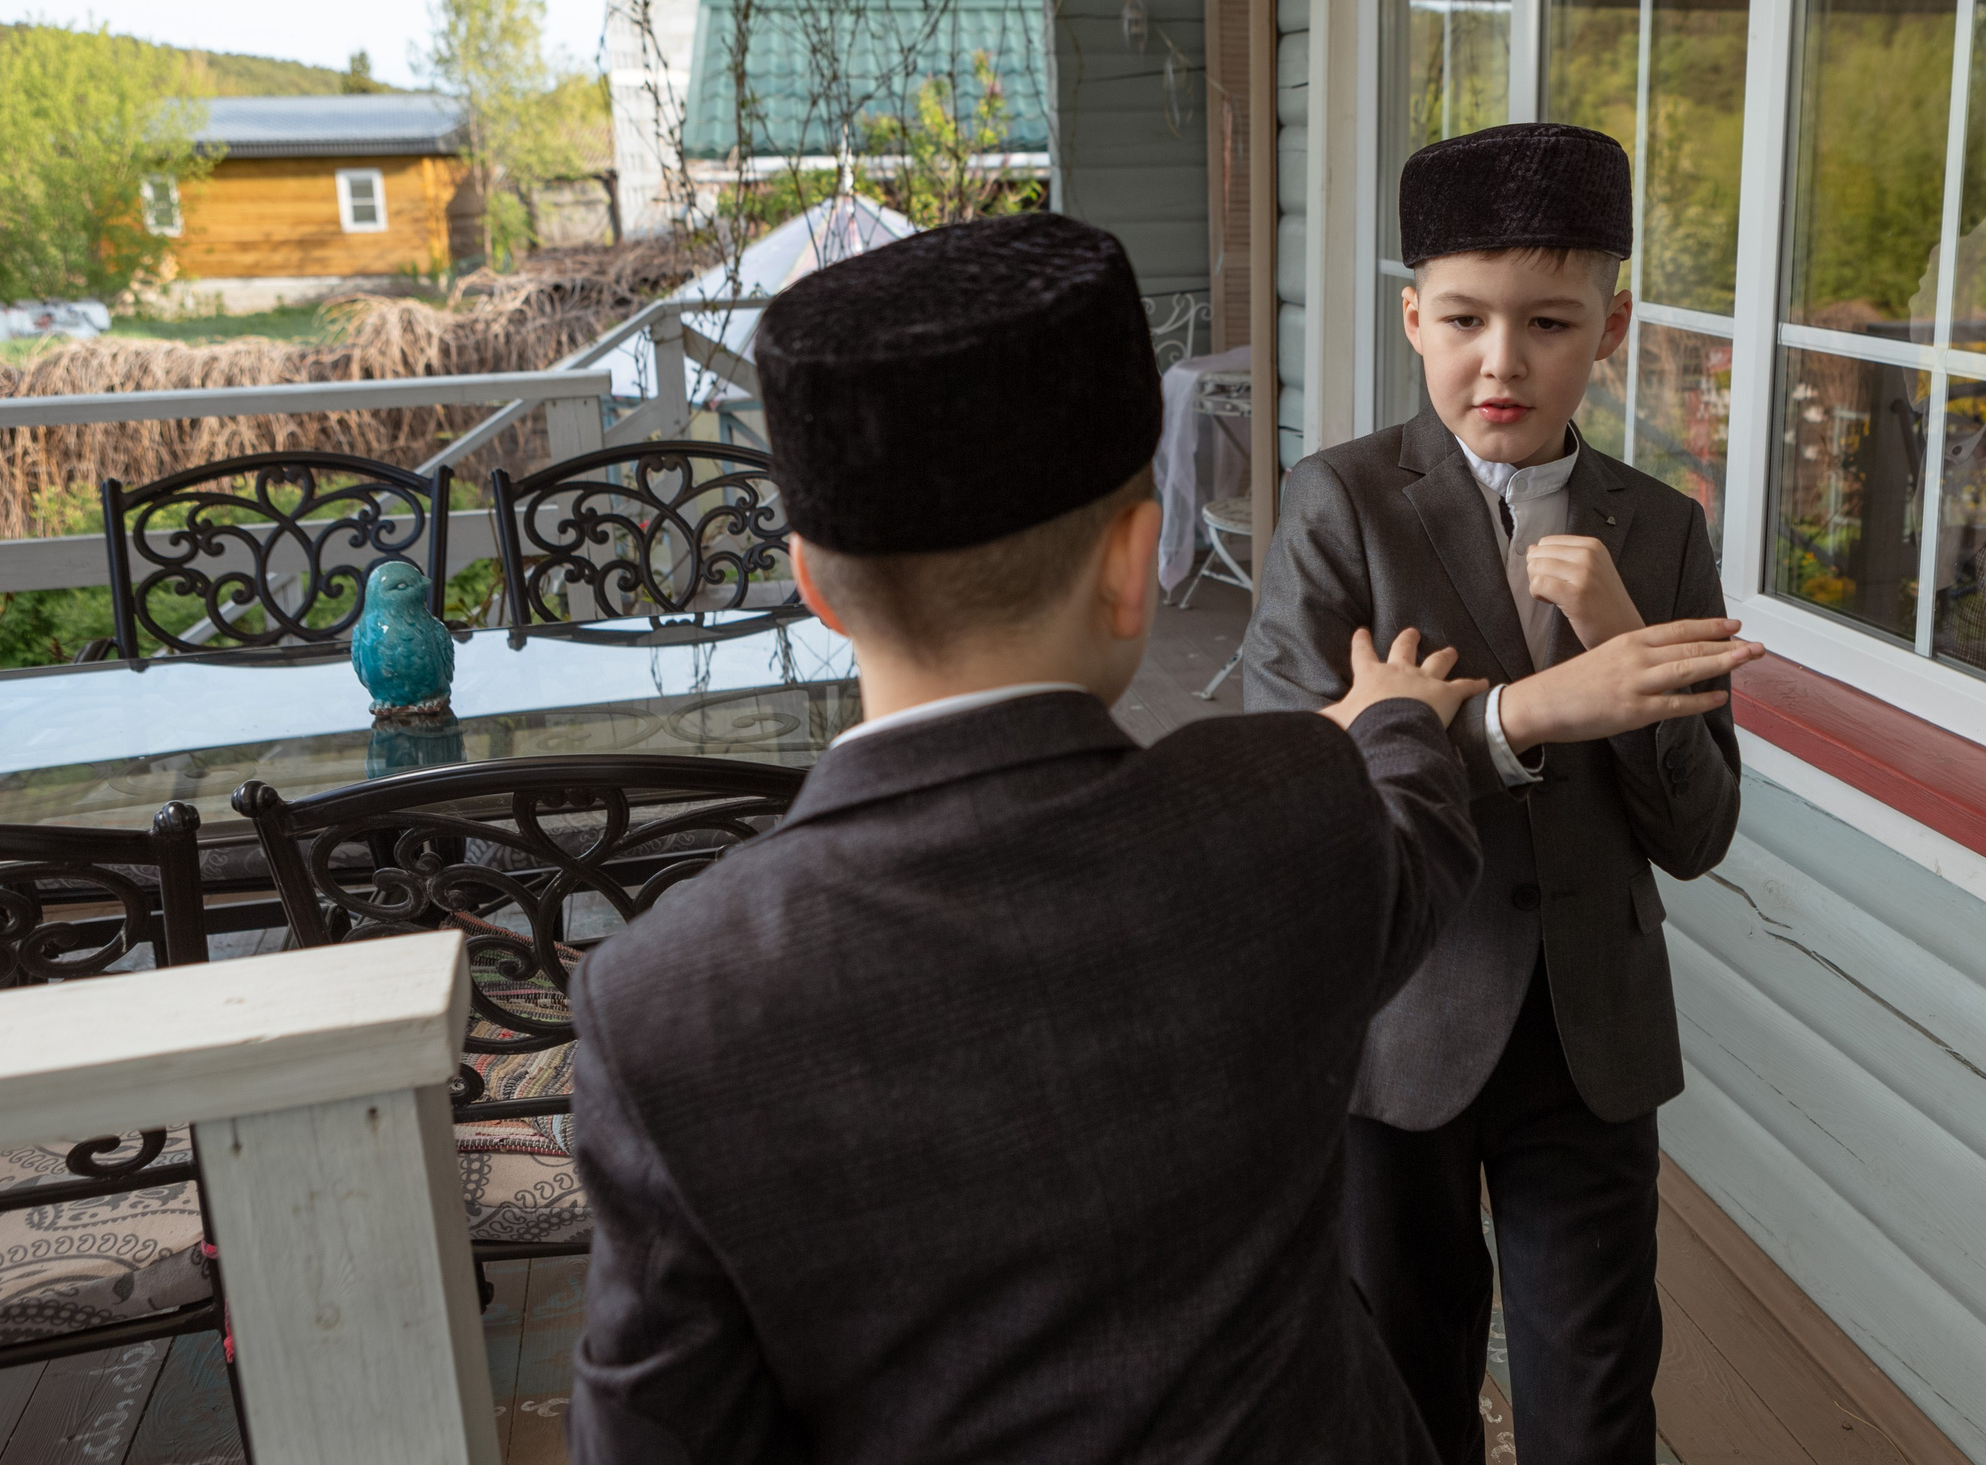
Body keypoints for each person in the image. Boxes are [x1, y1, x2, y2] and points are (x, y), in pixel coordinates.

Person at [568, 212, 1489, 1464]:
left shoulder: (667, 1000)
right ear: (1134, 562)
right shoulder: (1285, 810)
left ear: (817, 586)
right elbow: (1419, 843)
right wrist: (1391, 724)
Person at [1242, 122, 1765, 1464]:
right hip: (1397, 1025)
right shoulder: (1337, 506)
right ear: (1415, 315)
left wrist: (1620, 628)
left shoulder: (1660, 529)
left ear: (1613, 325)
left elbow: (1700, 830)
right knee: (1402, 1392)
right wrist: (1527, 713)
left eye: (1548, 321)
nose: (1502, 360)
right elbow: (1298, 795)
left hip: (1590, 1036)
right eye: (1465, 317)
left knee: (1595, 1401)